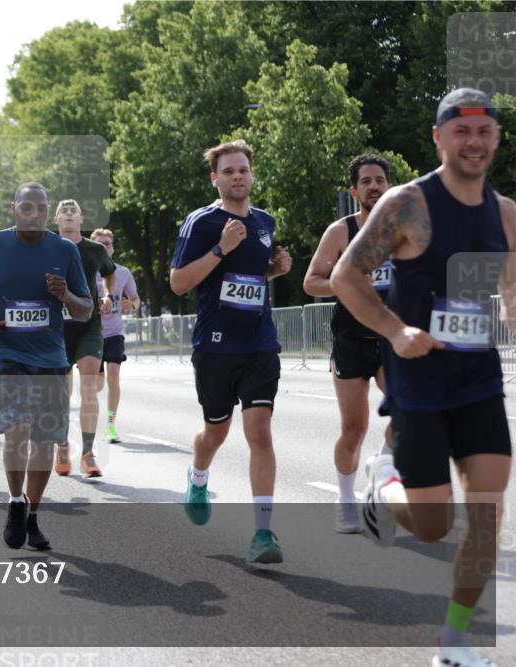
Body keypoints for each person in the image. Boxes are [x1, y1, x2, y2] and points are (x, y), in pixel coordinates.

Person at [331, 88, 512, 667]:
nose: (474, 142)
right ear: (439, 138)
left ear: (497, 138)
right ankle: (383, 487)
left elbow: (511, 290)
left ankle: (453, 645)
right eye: (461, 131)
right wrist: (394, 330)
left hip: (479, 379)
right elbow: (345, 277)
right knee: (434, 525)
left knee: (486, 516)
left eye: (484, 131)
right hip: (418, 383)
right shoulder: (407, 205)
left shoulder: (506, 214)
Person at [169, 139, 292, 564]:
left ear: (251, 175)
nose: (237, 176)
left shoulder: (265, 221)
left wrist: (273, 271)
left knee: (259, 431)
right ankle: (198, 476)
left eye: (243, 170)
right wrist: (221, 247)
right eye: (228, 171)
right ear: (215, 178)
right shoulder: (202, 222)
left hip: (259, 343)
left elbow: (249, 278)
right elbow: (179, 283)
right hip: (215, 346)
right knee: (215, 433)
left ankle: (263, 532)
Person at [0, 183, 92, 549]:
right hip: (6, 354)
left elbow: (86, 309)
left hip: (51, 358)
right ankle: (16, 500)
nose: (35, 214)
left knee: (44, 441)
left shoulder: (64, 250)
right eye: (27, 207)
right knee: (18, 430)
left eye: (41, 208)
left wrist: (65, 295)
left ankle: (31, 515)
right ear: (14, 208)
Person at [303, 153, 395, 534]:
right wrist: (345, 284)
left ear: (389, 186)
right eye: (366, 181)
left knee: (412, 413)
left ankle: (381, 467)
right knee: (354, 429)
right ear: (355, 191)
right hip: (352, 340)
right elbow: (311, 282)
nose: (374, 186)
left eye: (380, 180)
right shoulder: (340, 232)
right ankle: (345, 499)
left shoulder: (404, 229)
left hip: (391, 338)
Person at [52, 200, 117, 478]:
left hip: (88, 325)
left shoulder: (95, 249)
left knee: (89, 388)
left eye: (73, 211)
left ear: (81, 219)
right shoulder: (46, 248)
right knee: (61, 394)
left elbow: (110, 274)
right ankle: (62, 445)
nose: (68, 214)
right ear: (56, 220)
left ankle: (88, 453)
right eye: (63, 211)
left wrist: (108, 296)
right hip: (55, 329)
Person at [90, 228, 140, 444]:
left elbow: (136, 299)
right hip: (91, 335)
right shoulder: (85, 271)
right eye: (100, 243)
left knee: (113, 375)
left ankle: (111, 424)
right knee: (97, 385)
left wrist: (132, 305)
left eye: (108, 243)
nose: (104, 246)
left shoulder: (123, 273)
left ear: (113, 248)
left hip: (114, 333)